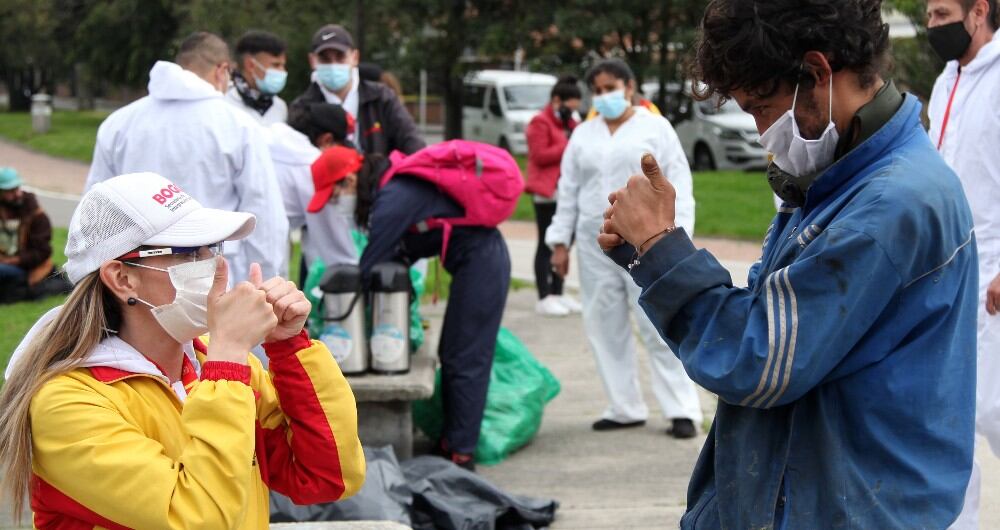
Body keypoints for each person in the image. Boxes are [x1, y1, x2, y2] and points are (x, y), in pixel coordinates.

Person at [598, 1, 977, 527]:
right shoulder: (842, 180)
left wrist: (662, 249)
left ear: (817, 73)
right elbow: (766, 312)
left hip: (844, 508)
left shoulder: (887, 205)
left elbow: (758, 359)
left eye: (761, 107)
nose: (760, 132)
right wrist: (647, 253)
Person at [0, 172, 365, 528]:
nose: (214, 266)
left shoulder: (215, 366)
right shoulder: (67, 403)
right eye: (189, 253)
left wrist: (289, 347)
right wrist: (227, 358)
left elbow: (326, 476)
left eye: (212, 248)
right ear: (122, 278)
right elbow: (199, 518)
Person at [309, 145, 511, 471]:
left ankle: (460, 454)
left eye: (334, 196)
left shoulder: (393, 197)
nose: (336, 205)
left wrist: (327, 312)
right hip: (474, 261)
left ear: (349, 180)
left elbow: (369, 267)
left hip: (483, 262)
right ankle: (451, 442)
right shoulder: (393, 189)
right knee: (453, 351)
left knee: (465, 356)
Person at [545, 59, 703, 438]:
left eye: (611, 88)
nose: (605, 96)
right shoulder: (584, 134)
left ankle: (681, 409)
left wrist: (677, 235)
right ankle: (624, 406)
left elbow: (678, 182)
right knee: (604, 325)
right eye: (597, 91)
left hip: (645, 240)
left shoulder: (655, 127)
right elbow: (568, 189)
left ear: (629, 87)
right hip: (593, 242)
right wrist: (559, 242)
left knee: (658, 323)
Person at [86, 32, 289, 282]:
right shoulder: (237, 126)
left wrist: (95, 276)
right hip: (216, 271)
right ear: (222, 71)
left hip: (136, 274)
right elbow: (264, 211)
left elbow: (96, 210)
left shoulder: (119, 123)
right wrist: (266, 279)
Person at [926, 1, 1000, 527]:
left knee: (994, 411)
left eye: (941, 13)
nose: (934, 25)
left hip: (994, 272)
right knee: (949, 417)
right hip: (948, 271)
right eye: (929, 16)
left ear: (979, 11)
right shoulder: (945, 80)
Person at [290, 24, 424, 156]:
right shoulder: (302, 109)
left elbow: (414, 147)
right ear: (312, 60)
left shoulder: (382, 98)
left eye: (340, 57)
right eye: (325, 59)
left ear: (355, 57)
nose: (333, 65)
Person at [270, 103, 360, 271]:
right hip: (263, 247)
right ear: (327, 140)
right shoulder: (312, 165)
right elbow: (337, 249)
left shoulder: (270, 137)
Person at [525, 76, 582, 317]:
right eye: (569, 106)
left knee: (564, 243)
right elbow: (539, 155)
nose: (572, 112)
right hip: (547, 192)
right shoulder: (540, 122)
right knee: (546, 244)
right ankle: (544, 295)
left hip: (566, 191)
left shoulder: (571, 123)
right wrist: (568, 143)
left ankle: (558, 292)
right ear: (557, 100)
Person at [0, 167, 65, 304]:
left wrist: (15, 260)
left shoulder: (36, 215)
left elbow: (42, 252)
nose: (17, 194)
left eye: (17, 188)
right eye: (10, 191)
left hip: (25, 268)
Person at [226, 30, 289, 125]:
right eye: (275, 65)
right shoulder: (224, 102)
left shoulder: (280, 107)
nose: (282, 71)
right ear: (250, 65)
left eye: (283, 65)